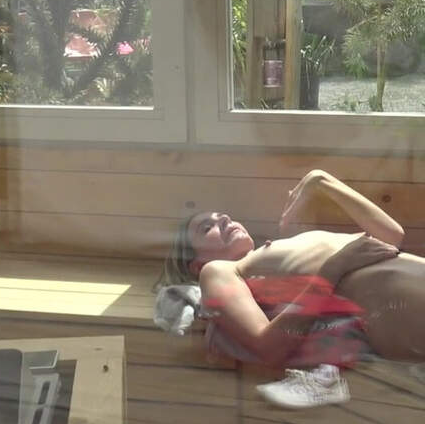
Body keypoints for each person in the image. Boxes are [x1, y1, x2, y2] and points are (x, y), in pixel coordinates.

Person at [159, 169, 424, 408]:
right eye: (208, 227)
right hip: (400, 307)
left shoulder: (290, 242)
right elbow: (268, 347)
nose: (224, 220)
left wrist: (321, 180)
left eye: (222, 216)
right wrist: (334, 267)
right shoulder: (219, 270)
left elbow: (392, 236)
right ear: (196, 264)